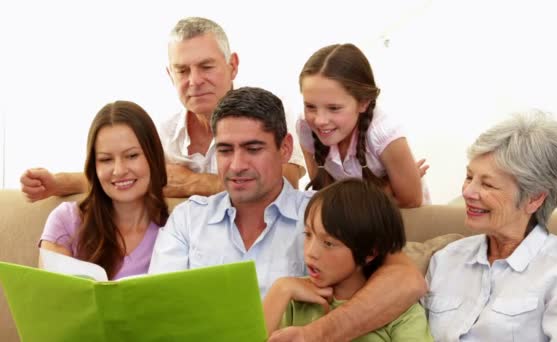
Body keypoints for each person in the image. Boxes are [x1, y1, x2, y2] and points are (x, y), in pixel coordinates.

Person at [149, 87, 427, 341]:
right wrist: (282, 290)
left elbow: (407, 281)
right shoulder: (187, 220)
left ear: (284, 148)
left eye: (253, 149)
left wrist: (316, 334)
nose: (236, 165)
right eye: (225, 150)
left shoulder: (325, 213)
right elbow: (158, 316)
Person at [19, 16, 305, 202]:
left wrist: (193, 182)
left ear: (233, 66)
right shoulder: (164, 131)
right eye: (182, 70)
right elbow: (121, 174)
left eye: (206, 66)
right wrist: (56, 183)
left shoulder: (269, 109)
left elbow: (287, 182)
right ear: (170, 75)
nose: (194, 81)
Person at [422, 111, 557, 341]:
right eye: (469, 177)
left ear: (534, 199)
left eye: (487, 184)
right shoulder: (445, 260)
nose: (468, 192)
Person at [263, 178, 433, 341]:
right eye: (308, 234)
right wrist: (281, 290)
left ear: (369, 253)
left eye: (328, 243)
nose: (311, 252)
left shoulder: (400, 309)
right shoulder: (295, 299)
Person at [38, 101, 169, 280]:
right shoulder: (66, 220)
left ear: (152, 157)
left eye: (132, 156)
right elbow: (49, 298)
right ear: (94, 166)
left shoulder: (174, 232)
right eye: (106, 159)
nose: (119, 170)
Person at [296, 43, 430, 208]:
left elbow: (409, 201)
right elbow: (324, 192)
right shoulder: (305, 126)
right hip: (352, 221)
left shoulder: (384, 133)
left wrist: (344, 200)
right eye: (310, 106)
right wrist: (387, 189)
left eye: (334, 108)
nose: (319, 120)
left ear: (363, 103)